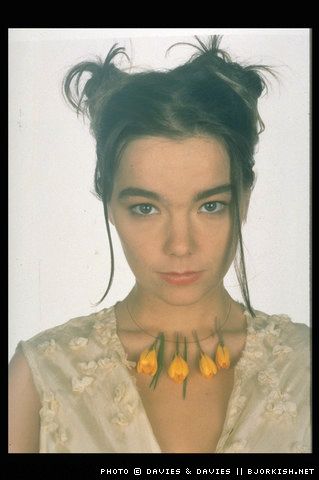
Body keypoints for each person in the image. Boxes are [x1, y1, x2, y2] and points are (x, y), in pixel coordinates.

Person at [8, 35, 310, 453]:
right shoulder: (40, 376)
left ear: (244, 200)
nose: (180, 246)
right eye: (146, 209)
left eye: (210, 205)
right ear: (110, 203)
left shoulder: (304, 366)